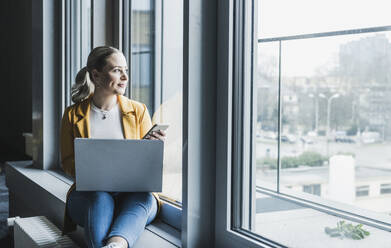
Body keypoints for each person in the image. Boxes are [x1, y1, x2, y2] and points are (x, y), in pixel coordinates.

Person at [60, 46, 165, 248]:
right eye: (117, 70)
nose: (125, 76)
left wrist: (153, 149)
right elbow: (67, 162)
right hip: (91, 194)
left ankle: (116, 244)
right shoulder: (73, 115)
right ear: (96, 75)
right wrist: (95, 173)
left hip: (133, 195)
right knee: (100, 198)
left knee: (144, 198)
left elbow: (146, 165)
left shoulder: (138, 110)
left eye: (126, 70)